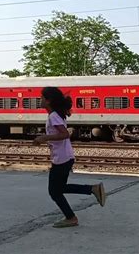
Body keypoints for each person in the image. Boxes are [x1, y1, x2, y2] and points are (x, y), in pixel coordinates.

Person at [33, 87, 106, 228]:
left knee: (55, 191)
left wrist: (44, 137)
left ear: (49, 101)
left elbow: (65, 134)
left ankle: (73, 216)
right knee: (58, 189)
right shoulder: (54, 115)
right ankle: (91, 191)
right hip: (63, 157)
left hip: (62, 158)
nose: (40, 100)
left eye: (42, 97)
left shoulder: (53, 115)